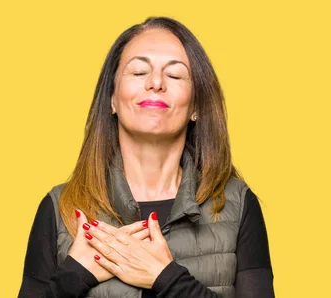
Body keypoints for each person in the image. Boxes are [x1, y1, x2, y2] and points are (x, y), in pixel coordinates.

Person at [17, 16, 274, 298]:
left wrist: (167, 278)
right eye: (139, 72)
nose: (155, 82)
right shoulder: (59, 207)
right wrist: (73, 276)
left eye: (174, 75)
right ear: (113, 99)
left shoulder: (237, 204)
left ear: (196, 107)